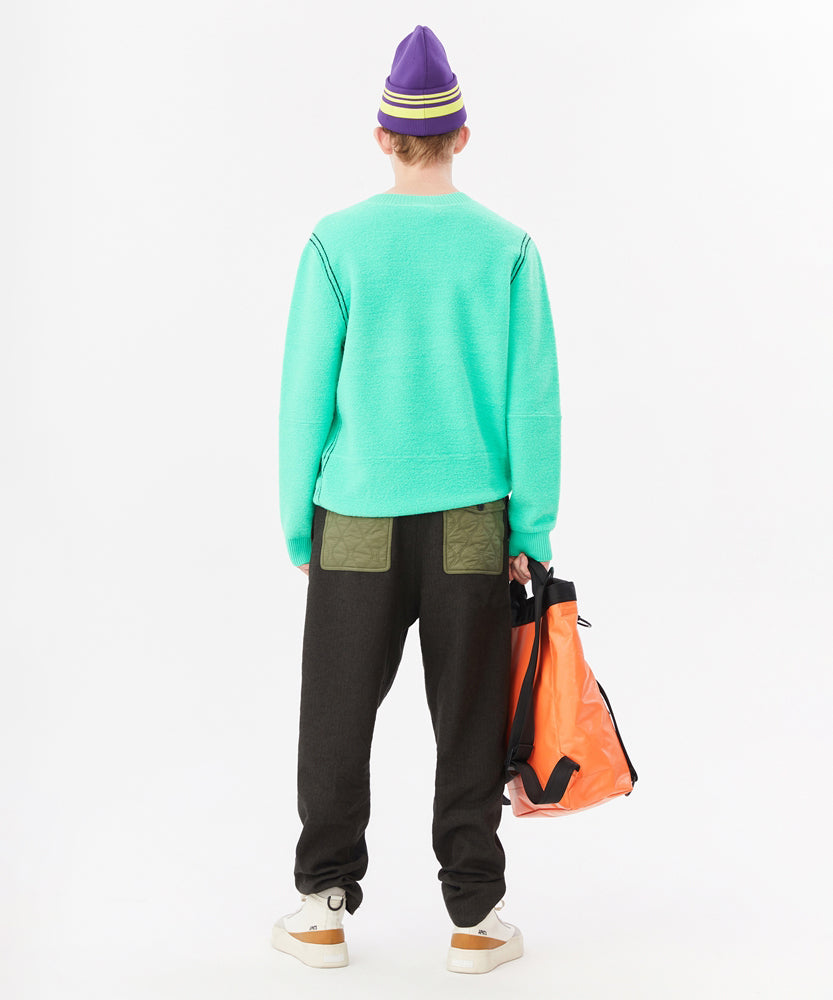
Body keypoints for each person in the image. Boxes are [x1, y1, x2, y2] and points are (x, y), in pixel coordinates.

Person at [271, 24, 562, 975]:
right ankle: (475, 921)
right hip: (472, 522)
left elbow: (304, 396)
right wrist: (530, 528)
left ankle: (321, 910)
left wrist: (297, 524)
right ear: (462, 135)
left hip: (354, 516)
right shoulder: (507, 248)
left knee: (337, 711)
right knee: (469, 713)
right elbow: (532, 404)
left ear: (381, 137)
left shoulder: (336, 244)